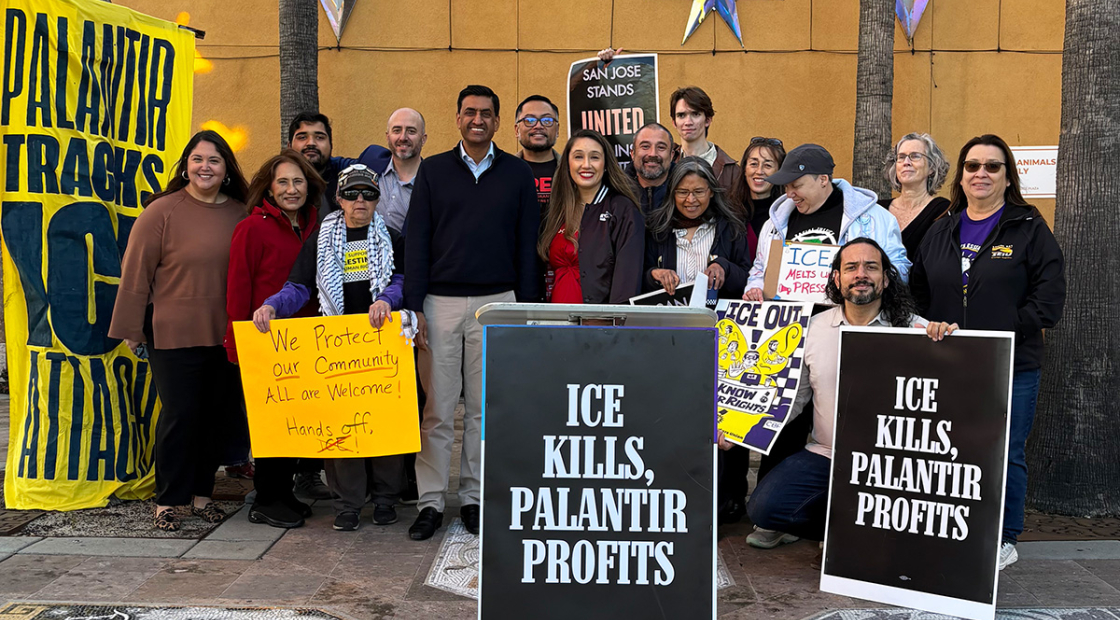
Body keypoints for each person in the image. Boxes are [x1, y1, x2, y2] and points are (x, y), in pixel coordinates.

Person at [909, 134, 1066, 570]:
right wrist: (928, 326)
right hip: (948, 364)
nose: (981, 174)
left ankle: (1003, 536)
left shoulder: (1029, 228)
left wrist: (990, 331)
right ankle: (953, 529)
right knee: (951, 449)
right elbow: (917, 294)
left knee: (1004, 450)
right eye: (972, 166)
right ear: (960, 176)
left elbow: (1048, 302)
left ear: (1007, 176)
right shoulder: (942, 229)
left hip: (1010, 365)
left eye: (992, 167)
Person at [745, 238, 952, 546]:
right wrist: (742, 429)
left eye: (871, 267)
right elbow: (792, 400)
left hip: (889, 464)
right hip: (827, 454)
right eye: (851, 267)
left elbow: (946, 397)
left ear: (885, 278)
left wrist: (949, 342)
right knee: (764, 509)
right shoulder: (813, 329)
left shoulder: (917, 331)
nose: (861, 274)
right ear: (836, 278)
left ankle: (856, 531)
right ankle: (849, 528)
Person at [405, 85, 540, 540]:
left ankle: (474, 499)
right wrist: (414, 307)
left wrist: (525, 309)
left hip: (498, 302)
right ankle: (429, 502)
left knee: (485, 410)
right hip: (438, 304)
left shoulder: (518, 174)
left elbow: (526, 247)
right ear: (457, 118)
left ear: (498, 122)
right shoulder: (433, 170)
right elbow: (417, 241)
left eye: (486, 113)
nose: (477, 119)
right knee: (438, 410)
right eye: (469, 112)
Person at [251, 164, 410, 532]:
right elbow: (300, 285)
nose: (360, 200)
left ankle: (386, 498)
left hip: (380, 343)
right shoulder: (322, 238)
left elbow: (403, 278)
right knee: (342, 432)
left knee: (385, 427)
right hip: (337, 347)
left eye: (368, 194)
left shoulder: (393, 237)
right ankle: (348, 504)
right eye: (352, 193)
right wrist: (273, 305)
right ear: (339, 199)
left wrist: (387, 298)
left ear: (377, 199)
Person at [108, 130, 249, 532]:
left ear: (226, 171)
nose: (205, 167)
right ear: (186, 165)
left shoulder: (241, 213)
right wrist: (132, 328)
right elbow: (136, 273)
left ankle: (203, 495)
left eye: (215, 161)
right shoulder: (161, 212)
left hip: (225, 333)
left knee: (216, 417)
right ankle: (168, 500)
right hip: (171, 333)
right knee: (180, 415)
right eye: (198, 159)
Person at [224, 149, 324, 529]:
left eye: (298, 181)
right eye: (283, 181)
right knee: (272, 426)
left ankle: (284, 494)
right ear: (269, 186)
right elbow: (238, 291)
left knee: (295, 425)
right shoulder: (251, 228)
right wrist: (237, 343)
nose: (291, 189)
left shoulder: (319, 225)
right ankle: (266, 499)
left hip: (309, 343)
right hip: (265, 341)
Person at [744, 143, 910, 300]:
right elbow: (759, 269)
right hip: (786, 324)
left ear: (823, 179)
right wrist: (755, 288)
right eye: (787, 187)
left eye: (796, 185)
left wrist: (866, 286)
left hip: (843, 323)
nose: (789, 193)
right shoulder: (775, 222)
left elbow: (899, 269)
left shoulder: (876, 219)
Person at [538, 129, 644, 304]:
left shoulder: (622, 209)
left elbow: (627, 282)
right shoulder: (557, 208)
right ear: (567, 163)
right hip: (555, 322)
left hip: (597, 324)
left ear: (606, 164)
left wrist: (610, 325)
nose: (586, 165)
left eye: (594, 157)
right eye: (578, 156)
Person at [643, 157, 757, 299]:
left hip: (718, 319)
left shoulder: (731, 227)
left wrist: (724, 267)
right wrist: (654, 275)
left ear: (711, 192)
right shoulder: (658, 229)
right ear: (672, 193)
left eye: (699, 191)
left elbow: (746, 280)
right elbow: (640, 278)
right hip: (670, 319)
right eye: (683, 192)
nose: (691, 200)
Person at [287, 111, 391, 224]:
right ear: (289, 146)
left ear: (331, 145)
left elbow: (375, 158)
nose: (311, 143)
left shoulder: (341, 171)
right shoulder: (277, 177)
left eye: (319, 137)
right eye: (302, 137)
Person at [878, 133, 952, 257]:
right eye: (901, 157)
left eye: (915, 156)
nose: (906, 162)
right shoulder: (879, 210)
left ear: (932, 167)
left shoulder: (942, 211)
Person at [668, 87, 740, 194]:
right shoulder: (667, 163)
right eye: (681, 115)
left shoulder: (732, 172)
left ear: (708, 120)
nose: (688, 122)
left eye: (695, 114)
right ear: (674, 122)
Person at [380, 108, 427, 234]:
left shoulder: (431, 184)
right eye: (396, 130)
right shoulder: (372, 163)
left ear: (423, 139)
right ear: (387, 136)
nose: (403, 137)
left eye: (411, 131)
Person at [513, 95, 561, 218]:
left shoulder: (572, 171)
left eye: (547, 121)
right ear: (516, 130)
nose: (538, 126)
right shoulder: (501, 172)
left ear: (557, 130)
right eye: (529, 120)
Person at [730, 137, 787, 236]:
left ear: (779, 172)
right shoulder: (728, 211)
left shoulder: (787, 213)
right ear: (744, 169)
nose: (759, 171)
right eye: (754, 164)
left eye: (768, 165)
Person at [622, 122, 676, 217]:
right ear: (632, 154)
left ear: (671, 155)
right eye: (645, 146)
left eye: (661, 147)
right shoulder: (617, 191)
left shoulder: (684, 191)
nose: (653, 154)